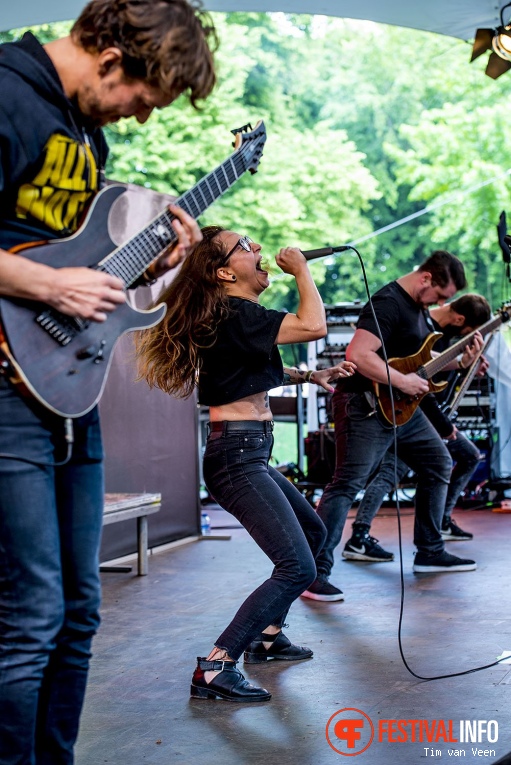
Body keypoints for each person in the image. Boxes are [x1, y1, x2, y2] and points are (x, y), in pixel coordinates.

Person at [0, 1, 217, 762]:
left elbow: (87, 270)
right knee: (29, 615)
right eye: (143, 101)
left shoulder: (85, 132)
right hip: (4, 390)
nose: (142, 120)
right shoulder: (5, 92)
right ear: (113, 59)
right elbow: (49, 277)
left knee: (79, 611)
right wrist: (44, 286)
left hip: (67, 390)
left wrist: (149, 268)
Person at [136, 226, 357, 702]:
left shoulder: (233, 317)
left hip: (247, 452)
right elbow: (314, 325)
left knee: (315, 536)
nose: (258, 250)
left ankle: (268, 635)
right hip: (237, 458)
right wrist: (301, 270)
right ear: (222, 272)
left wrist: (309, 374)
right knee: (297, 567)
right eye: (245, 247)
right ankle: (216, 667)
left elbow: (243, 372)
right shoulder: (235, 311)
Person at [301, 251, 485, 603]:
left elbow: (417, 362)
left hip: (401, 407)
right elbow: (359, 353)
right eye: (441, 296)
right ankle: (314, 574)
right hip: (363, 404)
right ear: (426, 278)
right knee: (346, 485)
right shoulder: (388, 302)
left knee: (438, 463)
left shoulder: (418, 309)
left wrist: (459, 362)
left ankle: (430, 551)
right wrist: (402, 382)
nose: (442, 304)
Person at [342, 293, 491, 563]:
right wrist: (445, 428)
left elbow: (433, 378)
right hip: (406, 411)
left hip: (417, 413)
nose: (467, 337)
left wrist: (467, 367)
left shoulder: (433, 331)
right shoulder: (422, 329)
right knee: (389, 472)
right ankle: (362, 537)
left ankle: (434, 528)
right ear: (460, 320)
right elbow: (418, 386)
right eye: (469, 331)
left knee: (444, 461)